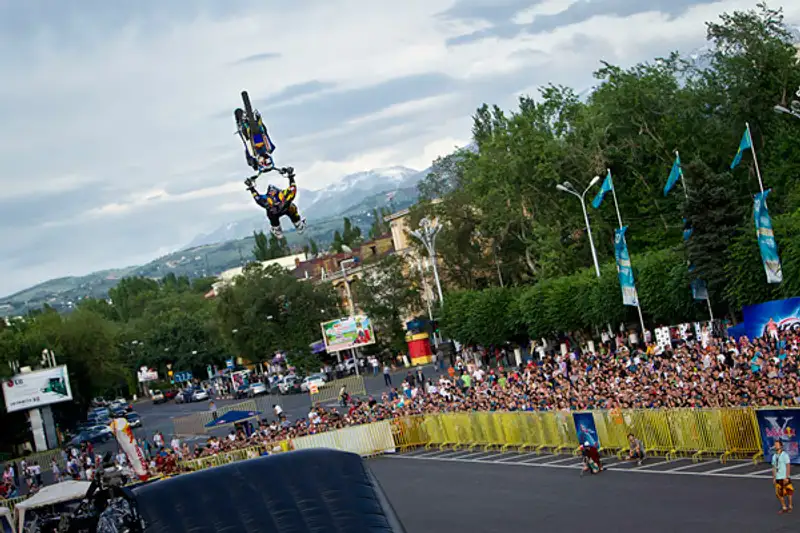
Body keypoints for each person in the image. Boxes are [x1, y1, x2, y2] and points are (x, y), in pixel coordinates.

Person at [245, 167, 306, 239]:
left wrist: (251, 188)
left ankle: (278, 229)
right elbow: (293, 187)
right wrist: (290, 176)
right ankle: (296, 224)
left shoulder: (267, 200)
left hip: (276, 211)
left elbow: (257, 198)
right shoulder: (284, 194)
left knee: (286, 208)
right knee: (289, 207)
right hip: (280, 209)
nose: (278, 204)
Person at [234, 107, 276, 173]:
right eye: (267, 161)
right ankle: (259, 120)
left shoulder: (253, 159)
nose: (265, 160)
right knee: (267, 139)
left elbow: (249, 156)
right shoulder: (269, 150)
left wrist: (254, 165)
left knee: (247, 144)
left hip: (252, 146)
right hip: (262, 142)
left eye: (264, 162)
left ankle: (242, 125)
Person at [772, 440, 793, 514]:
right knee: (779, 494)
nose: (776, 446)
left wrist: (787, 477)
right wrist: (774, 477)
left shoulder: (785, 455)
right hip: (778, 477)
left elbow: (788, 466)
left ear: (781, 446)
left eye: (777, 444)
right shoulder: (774, 456)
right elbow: (774, 467)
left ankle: (790, 505)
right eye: (775, 445)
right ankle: (784, 507)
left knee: (789, 492)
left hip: (784, 476)